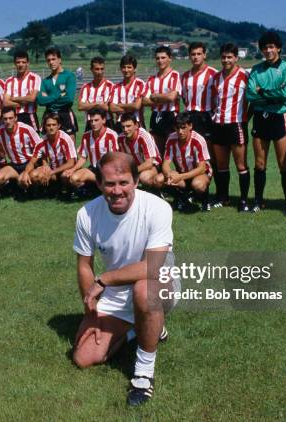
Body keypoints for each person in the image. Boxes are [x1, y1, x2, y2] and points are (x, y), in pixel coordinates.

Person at [72, 151, 179, 406]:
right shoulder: (86, 214)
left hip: (159, 284)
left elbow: (153, 267)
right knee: (83, 357)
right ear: (99, 183)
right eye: (109, 184)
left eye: (124, 183)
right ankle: (141, 329)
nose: (117, 191)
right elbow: (84, 266)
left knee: (143, 290)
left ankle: (143, 374)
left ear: (136, 182)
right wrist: (91, 312)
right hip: (116, 291)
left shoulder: (158, 208)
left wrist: (105, 279)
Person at [246, 32, 286, 216]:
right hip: (260, 118)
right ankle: (258, 201)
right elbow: (250, 95)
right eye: (265, 47)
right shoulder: (256, 69)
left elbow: (285, 94)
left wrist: (263, 92)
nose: (268, 50)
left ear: (278, 48)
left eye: (271, 47)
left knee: (284, 163)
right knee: (260, 164)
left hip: (279, 118)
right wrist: (270, 94)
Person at [211, 43, 251, 212]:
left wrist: (245, 119)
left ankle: (243, 200)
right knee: (221, 164)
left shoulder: (245, 76)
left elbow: (252, 100)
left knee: (241, 165)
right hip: (219, 125)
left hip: (236, 125)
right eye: (224, 57)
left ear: (236, 58)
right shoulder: (216, 77)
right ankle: (223, 197)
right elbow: (214, 100)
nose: (226, 60)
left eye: (229, 57)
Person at [180, 42, 217, 194]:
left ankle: (209, 191)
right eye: (193, 54)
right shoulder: (185, 76)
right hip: (190, 116)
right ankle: (191, 190)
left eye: (198, 54)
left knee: (208, 155)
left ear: (204, 55)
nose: (195, 57)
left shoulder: (213, 74)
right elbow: (184, 97)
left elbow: (217, 97)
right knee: (190, 153)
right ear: (189, 56)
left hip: (206, 116)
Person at [156, 113, 212, 211]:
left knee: (198, 184)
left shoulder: (198, 140)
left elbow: (202, 168)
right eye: (177, 128)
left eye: (183, 128)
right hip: (182, 172)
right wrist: (169, 175)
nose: (180, 131)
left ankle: (204, 200)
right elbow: (165, 164)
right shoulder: (171, 138)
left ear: (190, 126)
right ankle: (182, 198)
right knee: (158, 180)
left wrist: (180, 177)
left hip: (200, 173)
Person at [63, 108, 119, 192]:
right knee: (73, 178)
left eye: (96, 120)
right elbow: (83, 158)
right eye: (91, 121)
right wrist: (73, 169)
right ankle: (93, 187)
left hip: (108, 170)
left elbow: (115, 158)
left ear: (103, 120)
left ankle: (94, 187)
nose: (93, 123)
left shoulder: (112, 135)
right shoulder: (86, 136)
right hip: (93, 170)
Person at [0, 107, 41, 191]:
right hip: (14, 164)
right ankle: (15, 184)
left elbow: (39, 147)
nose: (8, 121)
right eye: (5, 119)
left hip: (29, 163)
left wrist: (37, 164)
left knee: (23, 181)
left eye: (10, 118)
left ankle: (33, 189)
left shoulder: (26, 129)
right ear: (2, 120)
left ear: (16, 118)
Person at [20, 113, 77, 192]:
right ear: (45, 127)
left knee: (65, 175)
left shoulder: (65, 139)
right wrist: (26, 173)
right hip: (52, 171)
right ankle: (44, 190)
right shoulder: (41, 143)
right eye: (48, 125)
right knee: (33, 175)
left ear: (59, 126)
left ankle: (70, 191)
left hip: (65, 170)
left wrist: (51, 172)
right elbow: (32, 162)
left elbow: (71, 163)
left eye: (54, 125)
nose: (51, 127)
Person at [142, 46, 182, 157]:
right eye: (158, 58)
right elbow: (144, 101)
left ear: (170, 58)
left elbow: (172, 97)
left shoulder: (175, 75)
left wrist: (155, 96)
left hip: (170, 116)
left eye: (163, 57)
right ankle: (160, 173)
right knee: (158, 152)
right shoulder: (151, 79)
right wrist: (163, 98)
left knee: (174, 152)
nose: (160, 61)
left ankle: (178, 173)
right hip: (155, 116)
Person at [37, 47, 78, 141]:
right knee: (49, 150)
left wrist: (49, 98)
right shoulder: (45, 81)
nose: (51, 62)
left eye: (53, 59)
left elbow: (69, 98)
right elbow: (40, 100)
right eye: (48, 60)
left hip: (65, 114)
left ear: (60, 59)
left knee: (69, 150)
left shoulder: (69, 76)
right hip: (49, 115)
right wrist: (59, 95)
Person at [116, 113, 162, 190]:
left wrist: (130, 172)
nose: (125, 130)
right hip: (136, 166)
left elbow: (149, 163)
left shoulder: (144, 136)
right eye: (123, 127)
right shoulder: (121, 138)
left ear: (136, 125)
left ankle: (155, 192)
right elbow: (124, 159)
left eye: (128, 126)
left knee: (144, 177)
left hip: (153, 165)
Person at [3, 51, 42, 131]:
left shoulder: (35, 78)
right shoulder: (9, 81)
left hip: (29, 115)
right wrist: (22, 103)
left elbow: (32, 98)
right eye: (18, 62)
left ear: (28, 63)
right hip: (14, 117)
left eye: (23, 62)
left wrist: (13, 98)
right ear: (14, 63)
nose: (20, 65)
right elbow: (6, 102)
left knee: (34, 142)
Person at [109, 54, 147, 132]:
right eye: (124, 67)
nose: (126, 70)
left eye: (129, 67)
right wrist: (129, 108)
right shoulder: (116, 86)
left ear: (135, 69)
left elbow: (137, 106)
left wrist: (119, 105)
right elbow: (112, 108)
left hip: (136, 123)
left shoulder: (140, 84)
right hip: (120, 124)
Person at [78, 56, 114, 131]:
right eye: (97, 69)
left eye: (102, 69)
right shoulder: (86, 87)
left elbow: (108, 108)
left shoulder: (111, 86)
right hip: (90, 123)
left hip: (107, 122)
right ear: (91, 70)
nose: (99, 72)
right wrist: (98, 104)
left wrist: (89, 104)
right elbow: (80, 106)